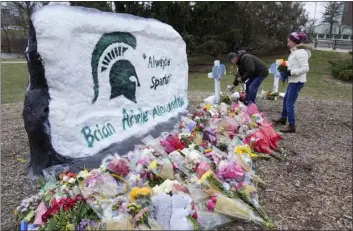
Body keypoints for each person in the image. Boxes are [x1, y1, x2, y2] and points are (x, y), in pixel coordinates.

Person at [272, 32, 313, 133]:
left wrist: (291, 72)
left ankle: (291, 125)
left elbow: (305, 68)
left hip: (297, 81)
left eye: (289, 41)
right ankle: (283, 118)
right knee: (286, 99)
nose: (288, 43)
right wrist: (285, 70)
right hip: (293, 80)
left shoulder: (301, 52)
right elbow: (293, 65)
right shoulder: (295, 51)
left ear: (295, 42)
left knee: (289, 102)